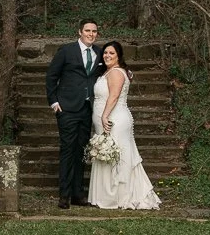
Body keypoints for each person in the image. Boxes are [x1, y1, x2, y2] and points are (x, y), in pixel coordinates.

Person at [88, 41, 161, 210]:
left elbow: (113, 96)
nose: (107, 55)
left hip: (115, 120)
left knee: (116, 156)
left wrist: (104, 116)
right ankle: (106, 195)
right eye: (105, 53)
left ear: (118, 56)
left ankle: (119, 197)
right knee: (107, 155)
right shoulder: (109, 72)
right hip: (106, 120)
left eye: (111, 53)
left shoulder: (116, 73)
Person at [45, 19, 104, 208]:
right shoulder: (66, 51)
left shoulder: (99, 52)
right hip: (67, 108)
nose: (91, 34)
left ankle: (78, 194)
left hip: (88, 109)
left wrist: (126, 73)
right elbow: (52, 76)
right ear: (79, 31)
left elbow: (111, 69)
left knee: (82, 151)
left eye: (94, 31)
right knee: (68, 150)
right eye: (87, 30)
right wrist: (54, 101)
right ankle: (64, 195)